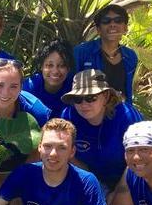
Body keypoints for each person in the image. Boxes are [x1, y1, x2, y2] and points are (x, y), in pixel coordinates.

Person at [60, 69, 142, 197]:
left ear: (105, 96)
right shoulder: (69, 116)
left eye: (90, 98)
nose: (83, 104)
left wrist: (119, 192)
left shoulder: (127, 117)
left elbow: (140, 158)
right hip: (89, 179)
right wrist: (95, 184)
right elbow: (65, 154)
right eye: (77, 99)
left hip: (129, 178)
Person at [74, 4, 138, 105]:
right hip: (89, 112)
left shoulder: (130, 56)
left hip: (121, 113)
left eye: (118, 20)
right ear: (98, 29)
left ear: (125, 28)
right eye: (106, 21)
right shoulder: (82, 52)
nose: (112, 24)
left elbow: (128, 90)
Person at [22, 38, 74, 118]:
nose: (55, 71)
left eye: (62, 65)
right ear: (41, 67)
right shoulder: (28, 88)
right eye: (49, 65)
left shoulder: (74, 88)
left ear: (69, 68)